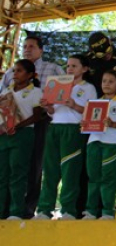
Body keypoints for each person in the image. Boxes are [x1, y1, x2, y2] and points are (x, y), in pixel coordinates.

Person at [0, 35, 64, 219]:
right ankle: (5, 207)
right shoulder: (10, 73)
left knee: (34, 164)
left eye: (31, 46)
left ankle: (26, 208)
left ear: (41, 50)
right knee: (5, 169)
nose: (27, 49)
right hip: (6, 126)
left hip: (41, 120)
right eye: (24, 46)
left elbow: (63, 91)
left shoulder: (53, 68)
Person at [35, 54, 98, 220]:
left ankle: (68, 210)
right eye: (68, 65)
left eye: (74, 66)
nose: (69, 69)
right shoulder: (58, 85)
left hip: (73, 130)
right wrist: (47, 106)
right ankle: (44, 209)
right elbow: (52, 111)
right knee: (50, 170)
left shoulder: (88, 88)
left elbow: (93, 113)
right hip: (54, 128)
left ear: (84, 69)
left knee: (70, 171)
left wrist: (74, 105)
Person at [82, 69, 116, 219]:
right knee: (93, 177)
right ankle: (90, 211)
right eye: (104, 81)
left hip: (112, 143)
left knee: (108, 178)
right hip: (93, 141)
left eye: (111, 81)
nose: (106, 84)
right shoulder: (95, 103)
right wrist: (85, 124)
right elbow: (88, 121)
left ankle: (107, 212)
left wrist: (113, 124)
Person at [0, 59, 43, 220]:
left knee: (17, 173)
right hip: (4, 135)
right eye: (14, 71)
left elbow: (38, 116)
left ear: (30, 74)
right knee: (2, 174)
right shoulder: (5, 92)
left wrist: (17, 126)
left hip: (23, 134)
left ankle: (15, 211)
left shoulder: (36, 92)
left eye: (19, 71)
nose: (15, 74)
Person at [86, 32, 116, 96]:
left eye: (109, 52)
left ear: (110, 42)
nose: (106, 56)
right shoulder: (87, 61)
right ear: (92, 52)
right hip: (96, 99)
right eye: (102, 55)